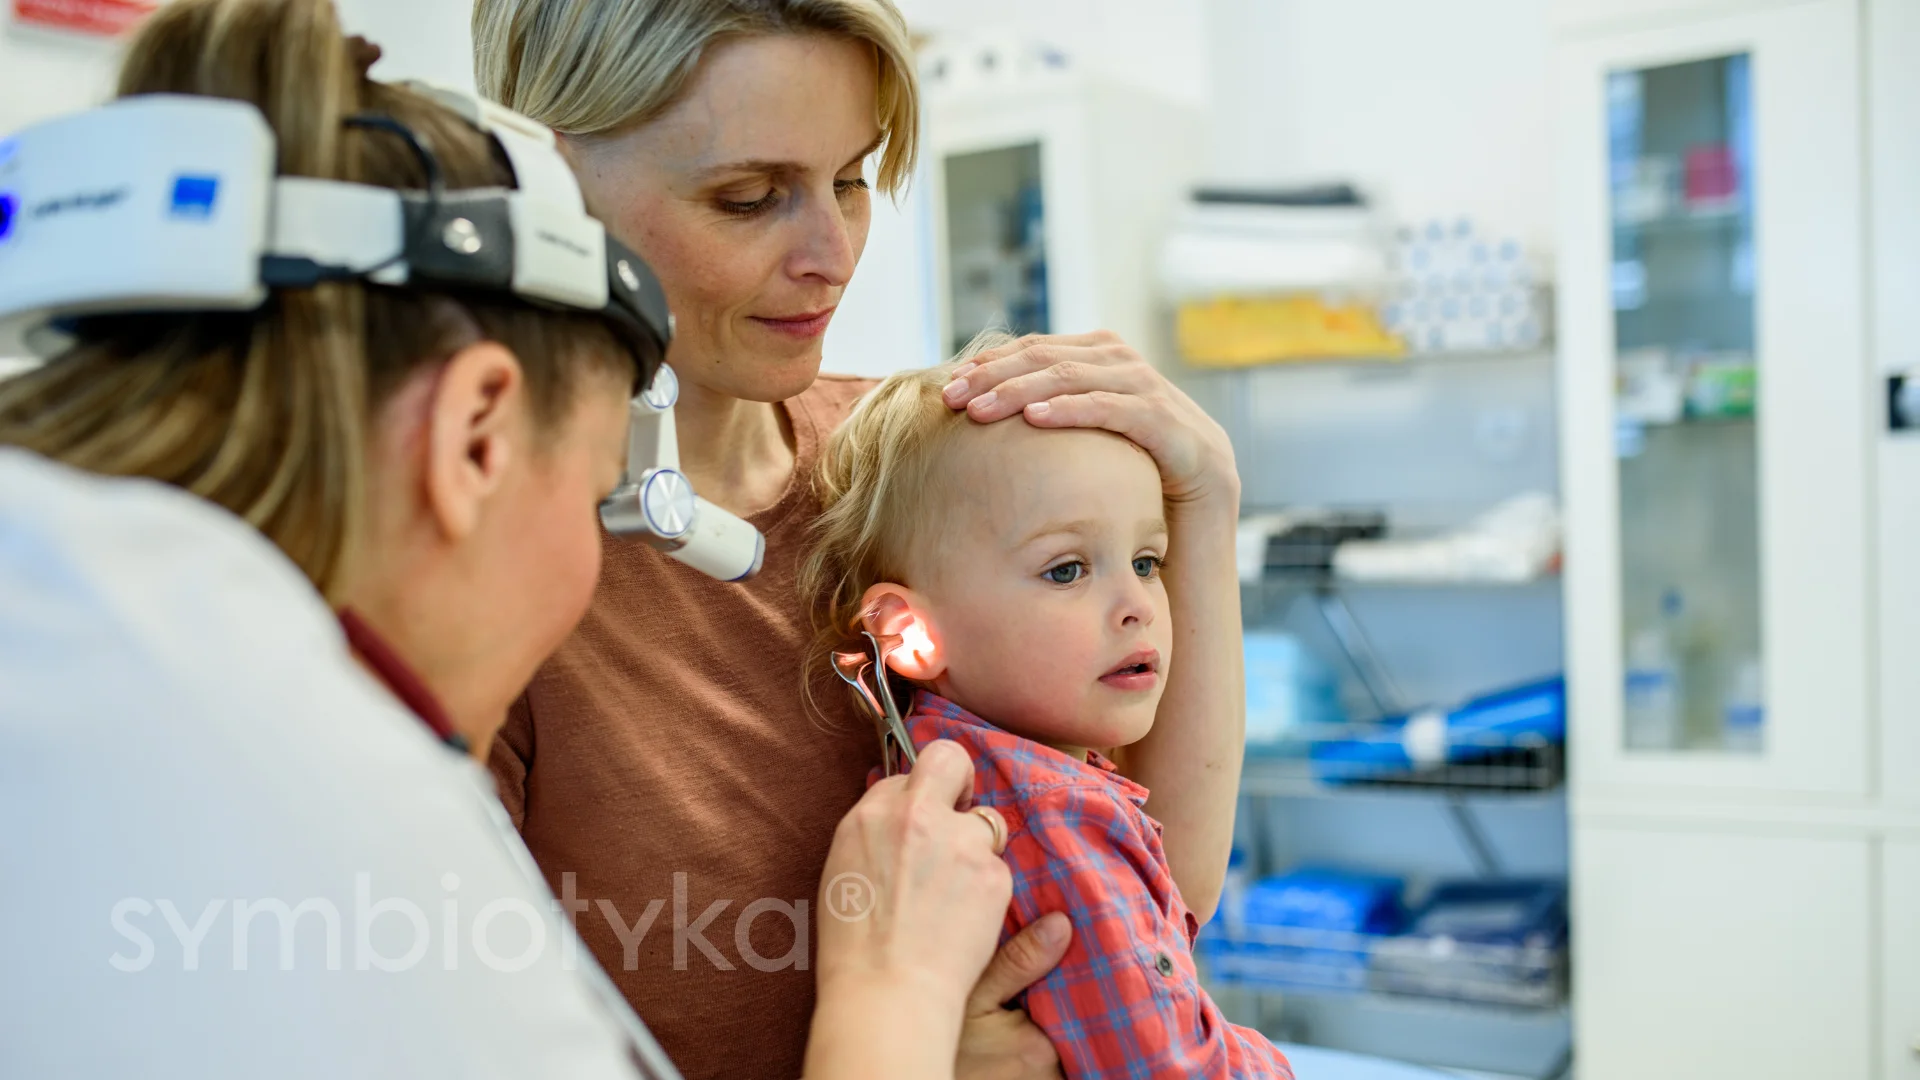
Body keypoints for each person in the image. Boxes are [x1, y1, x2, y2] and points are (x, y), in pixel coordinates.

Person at [0, 1, 1014, 1076]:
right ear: (475, 434)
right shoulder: (332, 836)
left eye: (850, 180)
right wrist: (895, 1003)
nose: (831, 253)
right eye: (598, 475)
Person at [471, 2, 1250, 1075]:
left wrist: (1203, 503)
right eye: (748, 199)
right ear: (541, 185)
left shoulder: (912, 466)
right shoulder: (473, 575)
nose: (832, 257)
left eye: (851, 180)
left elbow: (1166, 896)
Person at [800, 341, 1296, 1078]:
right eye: (1066, 570)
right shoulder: (1053, 817)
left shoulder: (983, 756)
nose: (1137, 607)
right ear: (908, 634)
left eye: (1147, 562)